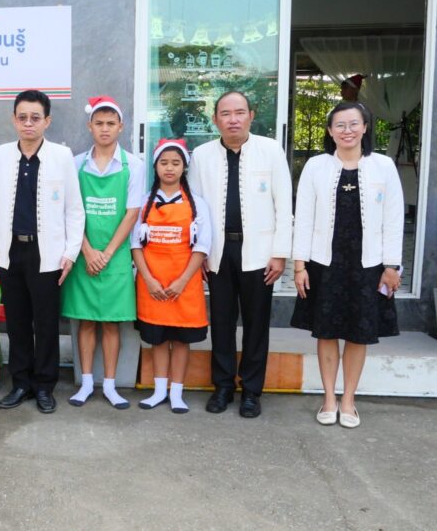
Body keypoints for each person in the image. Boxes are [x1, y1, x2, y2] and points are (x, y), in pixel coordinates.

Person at [291, 101, 403, 428]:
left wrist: (392, 265)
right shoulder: (316, 166)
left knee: (358, 334)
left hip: (368, 265)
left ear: (365, 127)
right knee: (326, 332)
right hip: (324, 263)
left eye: (354, 123)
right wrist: (299, 266)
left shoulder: (383, 166)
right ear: (330, 131)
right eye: (339, 125)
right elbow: (304, 218)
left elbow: (394, 219)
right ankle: (329, 398)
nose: (347, 130)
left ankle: (349, 400)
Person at [188, 91, 292, 418]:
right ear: (215, 119)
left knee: (256, 323)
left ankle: (251, 390)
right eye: (225, 114)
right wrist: (199, 253)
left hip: (260, 253)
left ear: (251, 115)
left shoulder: (270, 150)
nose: (233, 119)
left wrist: (280, 253)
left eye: (239, 112)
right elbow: (195, 210)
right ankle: (222, 387)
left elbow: (283, 204)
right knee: (221, 322)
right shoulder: (202, 155)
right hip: (218, 252)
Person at [0, 90, 85, 414]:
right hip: (11, 252)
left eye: (35, 117)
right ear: (14, 120)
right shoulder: (1, 155)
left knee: (45, 323)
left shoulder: (61, 156)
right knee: (16, 323)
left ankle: (44, 386)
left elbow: (74, 209)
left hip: (48, 255)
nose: (28, 123)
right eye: (22, 117)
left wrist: (70, 253)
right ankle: (21, 383)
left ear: (47, 121)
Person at [62, 96, 143, 409]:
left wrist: (106, 254)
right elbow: (71, 211)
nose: (105, 129)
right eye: (99, 123)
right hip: (84, 253)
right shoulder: (75, 164)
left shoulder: (133, 166)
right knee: (85, 321)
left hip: (116, 257)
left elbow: (132, 213)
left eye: (111, 123)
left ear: (121, 127)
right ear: (89, 126)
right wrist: (87, 249)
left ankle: (109, 385)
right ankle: (85, 383)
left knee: (111, 323)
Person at [132, 139, 211, 414]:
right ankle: (158, 392)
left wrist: (182, 281)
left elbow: (202, 247)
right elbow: (135, 245)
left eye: (176, 163)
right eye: (164, 162)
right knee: (157, 340)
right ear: (155, 166)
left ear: (184, 167)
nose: (169, 168)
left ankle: (177, 393)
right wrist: (148, 279)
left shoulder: (198, 204)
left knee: (180, 340)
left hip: (184, 285)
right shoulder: (144, 203)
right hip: (152, 284)